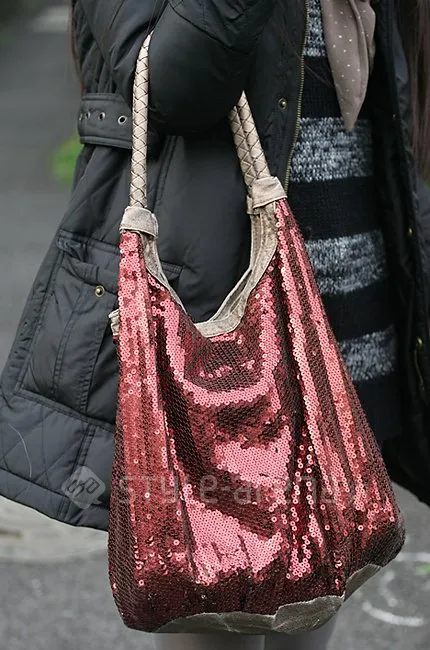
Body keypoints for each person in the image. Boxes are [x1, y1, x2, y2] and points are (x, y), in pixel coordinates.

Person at [1, 0, 430, 648]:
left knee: (315, 602)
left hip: (342, 338)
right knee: (210, 602)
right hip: (209, 346)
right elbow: (171, 89)